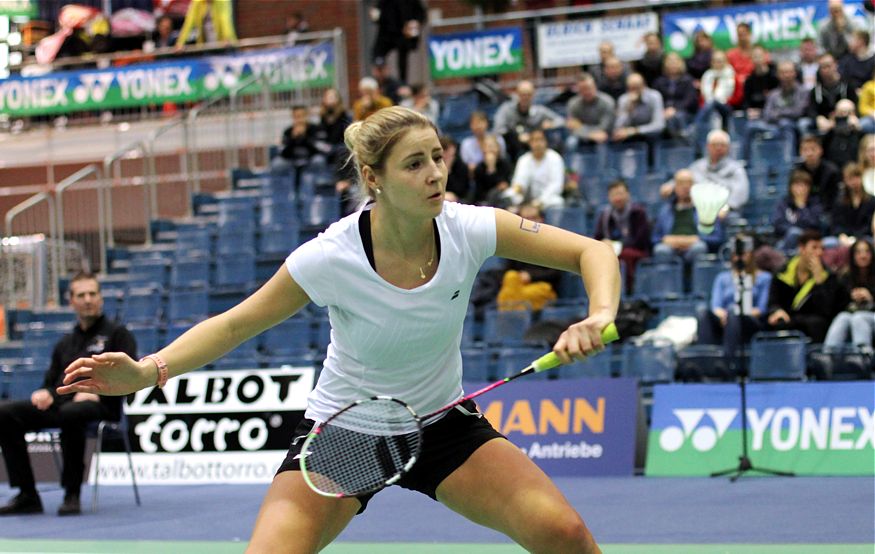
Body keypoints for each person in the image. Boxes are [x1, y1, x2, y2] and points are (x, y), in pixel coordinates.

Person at [59, 106, 618, 553]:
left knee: (564, 535)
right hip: (348, 434)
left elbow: (591, 252)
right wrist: (146, 370)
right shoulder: (330, 256)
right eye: (414, 164)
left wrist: (597, 315)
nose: (434, 174)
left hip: (443, 423)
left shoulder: (469, 228)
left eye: (437, 157)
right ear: (373, 178)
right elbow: (235, 324)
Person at [0, 273, 137, 516]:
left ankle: (71, 493)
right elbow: (52, 382)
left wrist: (99, 393)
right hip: (62, 403)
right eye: (81, 295)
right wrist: (46, 393)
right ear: (71, 301)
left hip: (101, 404)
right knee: (6, 413)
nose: (87, 300)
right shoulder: (65, 343)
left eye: (92, 294)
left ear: (100, 298)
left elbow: (131, 378)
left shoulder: (118, 335)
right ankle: (27, 495)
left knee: (72, 413)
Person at [697, 234, 771, 358]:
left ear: (751, 254)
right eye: (736, 254)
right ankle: (706, 359)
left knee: (733, 310)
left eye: (743, 254)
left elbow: (761, 309)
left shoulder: (764, 278)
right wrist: (727, 316)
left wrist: (737, 313)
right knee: (702, 312)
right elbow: (716, 306)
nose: (739, 258)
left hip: (750, 322)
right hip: (725, 319)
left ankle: (728, 360)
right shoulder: (722, 278)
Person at [766, 229, 846, 343]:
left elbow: (827, 311)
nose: (819, 252)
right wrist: (777, 310)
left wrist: (820, 283)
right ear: (802, 249)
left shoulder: (829, 276)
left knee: (817, 324)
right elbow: (773, 301)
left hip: (815, 322)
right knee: (775, 322)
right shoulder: (782, 272)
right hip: (788, 318)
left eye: (821, 248)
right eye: (814, 248)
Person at [652, 169, 725, 262]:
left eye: (689, 183)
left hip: (694, 246)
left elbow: (717, 237)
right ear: (675, 187)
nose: (686, 187)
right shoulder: (665, 211)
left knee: (699, 248)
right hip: (671, 247)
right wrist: (665, 240)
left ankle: (696, 276)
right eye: (681, 183)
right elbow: (654, 238)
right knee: (661, 250)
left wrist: (696, 239)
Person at [593, 180, 651, 293]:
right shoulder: (605, 215)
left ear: (627, 194)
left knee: (625, 256)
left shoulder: (639, 213)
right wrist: (604, 243)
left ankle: (627, 293)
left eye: (620, 193)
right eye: (614, 195)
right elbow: (598, 237)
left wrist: (618, 245)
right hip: (612, 252)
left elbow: (641, 240)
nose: (617, 198)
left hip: (636, 251)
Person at [824, 238, 875, 352]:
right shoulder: (845, 276)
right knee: (842, 317)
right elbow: (835, 306)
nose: (863, 255)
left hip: (869, 316)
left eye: (867, 251)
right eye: (858, 252)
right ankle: (829, 354)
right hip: (853, 315)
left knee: (859, 318)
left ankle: (864, 356)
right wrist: (849, 299)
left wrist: (871, 298)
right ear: (852, 256)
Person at [493, 80, 564, 161]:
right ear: (517, 94)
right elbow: (498, 129)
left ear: (533, 95)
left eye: (528, 95)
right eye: (522, 94)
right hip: (514, 146)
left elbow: (561, 121)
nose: (525, 97)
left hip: (535, 144)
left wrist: (551, 124)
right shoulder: (507, 109)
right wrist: (516, 136)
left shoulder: (539, 111)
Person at [687, 130, 750, 214]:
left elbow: (740, 194)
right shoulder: (697, 167)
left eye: (722, 145)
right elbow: (682, 179)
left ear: (728, 148)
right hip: (698, 211)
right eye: (715, 144)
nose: (718, 148)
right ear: (708, 146)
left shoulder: (736, 169)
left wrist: (726, 207)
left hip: (725, 213)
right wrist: (671, 185)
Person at [503, 128, 566, 210]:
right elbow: (519, 181)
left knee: (557, 202)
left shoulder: (555, 158)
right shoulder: (524, 159)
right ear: (530, 143)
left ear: (546, 142)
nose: (538, 143)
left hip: (548, 199)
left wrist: (540, 201)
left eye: (540, 140)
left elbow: (556, 185)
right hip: (528, 198)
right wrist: (518, 189)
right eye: (534, 140)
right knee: (508, 197)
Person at [611, 73, 665, 164]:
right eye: (631, 88)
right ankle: (619, 173)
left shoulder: (655, 96)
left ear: (644, 85)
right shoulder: (624, 99)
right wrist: (629, 109)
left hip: (648, 133)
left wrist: (634, 130)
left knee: (652, 137)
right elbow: (618, 126)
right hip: (630, 134)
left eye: (637, 87)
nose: (634, 91)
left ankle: (651, 170)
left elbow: (659, 125)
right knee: (615, 138)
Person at [370, 0, 426, 85]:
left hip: (403, 33)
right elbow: (377, 14)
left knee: (402, 59)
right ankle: (380, 81)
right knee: (378, 56)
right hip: (386, 33)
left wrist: (415, 23)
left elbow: (421, 14)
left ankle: (403, 83)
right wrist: (374, 15)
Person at [803, 54, 858, 136]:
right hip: (824, 121)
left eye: (828, 66)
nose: (826, 70)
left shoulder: (847, 85)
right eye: (822, 67)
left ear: (836, 65)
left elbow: (855, 104)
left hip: (845, 118)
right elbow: (811, 109)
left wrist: (851, 116)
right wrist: (818, 118)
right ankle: (811, 148)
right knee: (803, 124)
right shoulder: (815, 90)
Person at [693, 50, 736, 153]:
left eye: (720, 61)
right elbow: (703, 97)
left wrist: (718, 102)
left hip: (727, 107)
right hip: (709, 108)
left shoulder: (731, 75)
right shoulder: (707, 76)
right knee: (711, 104)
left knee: (713, 103)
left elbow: (736, 97)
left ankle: (695, 126)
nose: (718, 63)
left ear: (726, 62)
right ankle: (698, 145)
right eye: (715, 61)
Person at [771, 170, 825, 253]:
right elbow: (777, 224)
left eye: (804, 185)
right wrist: (795, 229)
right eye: (797, 185)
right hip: (787, 239)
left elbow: (814, 224)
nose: (800, 189)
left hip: (811, 240)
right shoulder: (783, 203)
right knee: (794, 233)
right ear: (791, 187)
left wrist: (802, 207)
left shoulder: (815, 203)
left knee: (831, 242)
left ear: (809, 188)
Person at [652, 53, 699, 140]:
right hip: (663, 112)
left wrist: (675, 109)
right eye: (670, 62)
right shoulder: (659, 81)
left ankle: (681, 144)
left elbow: (690, 100)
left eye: (675, 62)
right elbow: (655, 99)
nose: (672, 64)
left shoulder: (688, 80)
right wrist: (663, 111)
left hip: (684, 112)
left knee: (677, 117)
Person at [564, 73, 616, 151]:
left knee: (601, 142)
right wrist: (589, 135)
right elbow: (572, 128)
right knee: (571, 142)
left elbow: (604, 129)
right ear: (578, 90)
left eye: (588, 88)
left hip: (604, 137)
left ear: (595, 86)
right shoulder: (573, 104)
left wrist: (581, 127)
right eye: (583, 89)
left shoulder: (607, 102)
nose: (586, 92)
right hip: (582, 137)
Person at [271, 105, 326, 176]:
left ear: (307, 116)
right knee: (277, 164)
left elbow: (321, 150)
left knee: (319, 160)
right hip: (292, 161)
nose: (299, 119)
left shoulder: (316, 129)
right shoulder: (288, 131)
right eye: (296, 116)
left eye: (302, 116)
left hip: (310, 160)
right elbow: (282, 153)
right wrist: (292, 138)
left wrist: (305, 137)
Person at [830, 162, 875, 247]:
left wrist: (856, 238)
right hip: (844, 237)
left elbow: (869, 225)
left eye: (856, 177)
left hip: (865, 236)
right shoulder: (839, 201)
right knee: (829, 243)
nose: (854, 182)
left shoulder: (871, 200)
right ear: (845, 181)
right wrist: (842, 235)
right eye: (850, 179)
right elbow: (836, 223)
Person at [794, 135, 842, 212]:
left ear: (821, 150)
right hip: (803, 212)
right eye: (805, 150)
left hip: (826, 212)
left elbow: (833, 200)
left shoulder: (831, 172)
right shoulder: (796, 172)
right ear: (800, 152)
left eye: (813, 149)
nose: (809, 153)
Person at [472, 134, 513, 206]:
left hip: (502, 198)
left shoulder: (505, 164)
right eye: (487, 147)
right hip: (484, 201)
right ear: (483, 149)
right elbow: (479, 192)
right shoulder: (479, 168)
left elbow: (505, 184)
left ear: (498, 149)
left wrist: (493, 169)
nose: (490, 150)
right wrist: (490, 168)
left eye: (493, 147)